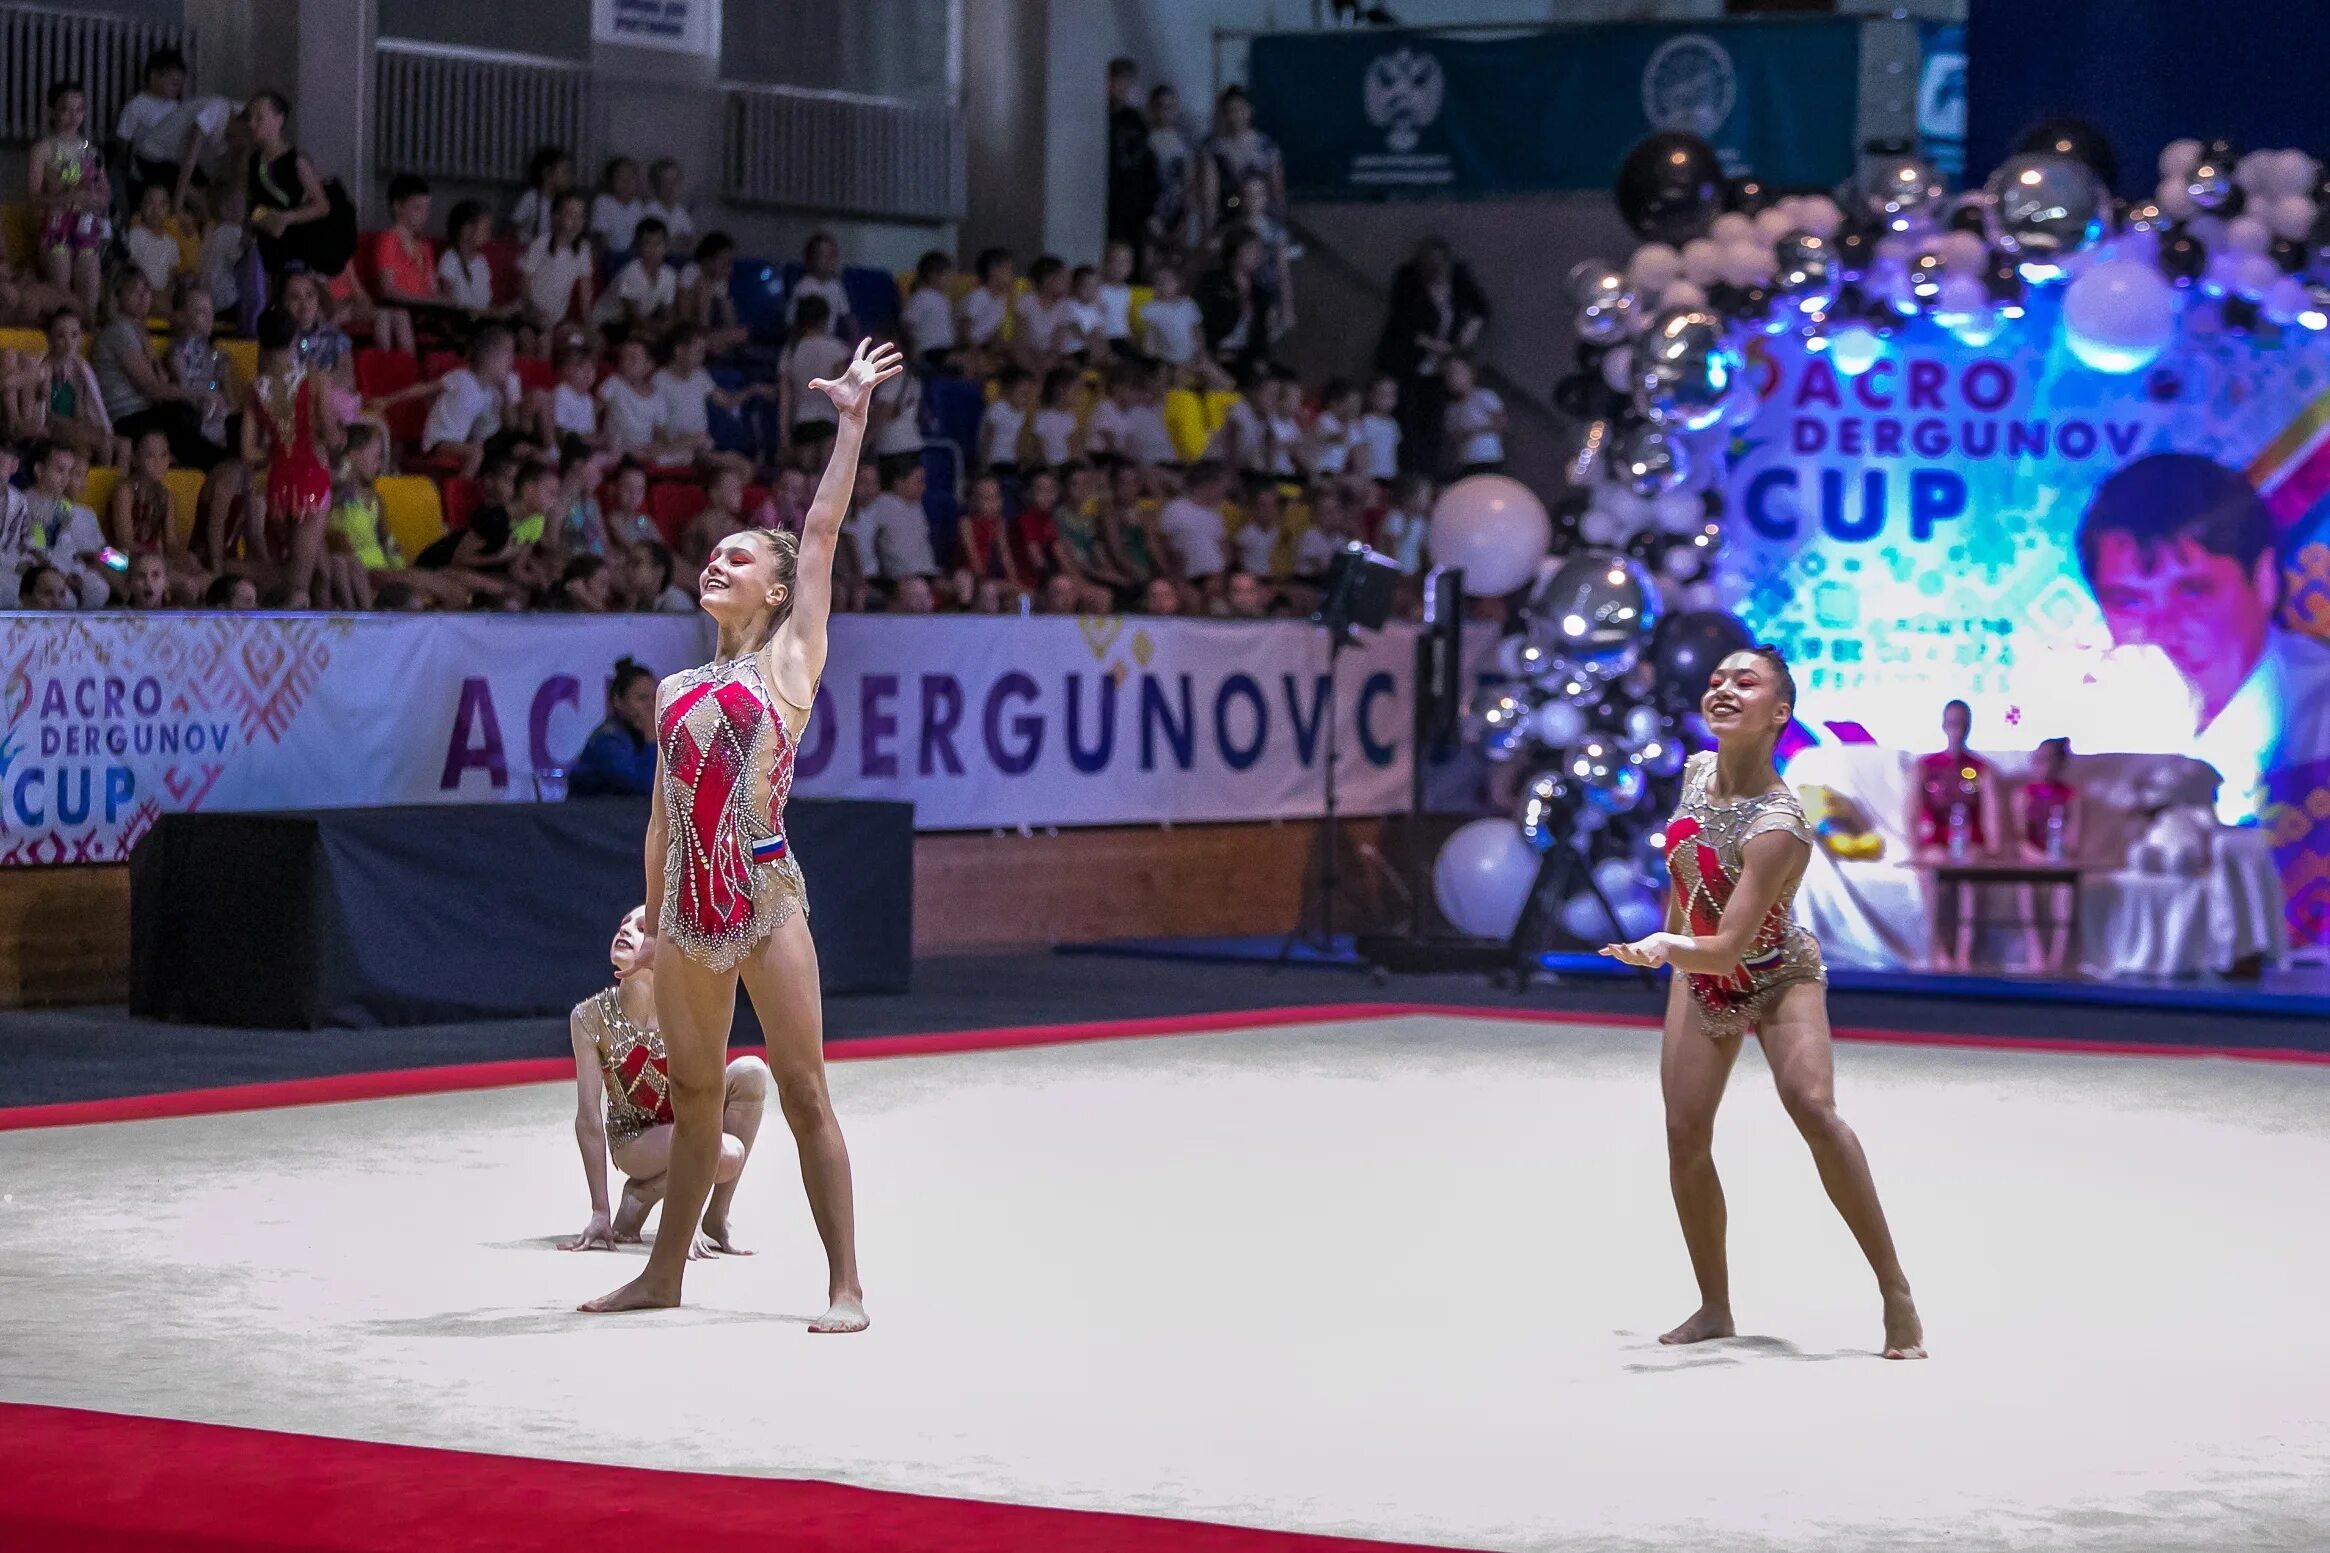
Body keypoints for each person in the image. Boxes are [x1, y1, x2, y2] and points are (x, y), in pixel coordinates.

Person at [578, 337, 903, 1326]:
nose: (717, 558)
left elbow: (819, 536)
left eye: (739, 557)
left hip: (764, 896)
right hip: (688, 909)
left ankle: (844, 1282)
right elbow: (659, 818)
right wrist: (656, 908)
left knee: (803, 1088)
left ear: (770, 591)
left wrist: (849, 421)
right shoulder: (674, 687)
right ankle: (663, 1273)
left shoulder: (789, 665)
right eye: (713, 552)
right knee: (691, 1093)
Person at [1601, 645, 1924, 1361]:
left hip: (1776, 972)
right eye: (1716, 678)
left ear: (1778, 713)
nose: (1722, 688)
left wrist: (1663, 946)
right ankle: (1715, 1306)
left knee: (1812, 1107)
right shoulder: (1692, 775)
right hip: (1698, 971)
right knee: (1684, 1135)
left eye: (1744, 682)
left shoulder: (1779, 822)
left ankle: (1894, 1288)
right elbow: (1687, 879)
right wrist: (1674, 936)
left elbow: (1728, 944)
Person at [2077, 452, 2330, 829]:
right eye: (2129, 602)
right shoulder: (2089, 722)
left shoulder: (2318, 717)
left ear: (2263, 580)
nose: (2160, 629)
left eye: (2191, 592)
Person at [562, 906, 771, 1257]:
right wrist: (600, 1210)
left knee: (751, 1071)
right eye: (623, 922)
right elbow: (588, 1119)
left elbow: (705, 1091)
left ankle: (714, 1215)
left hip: (685, 1121)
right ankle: (645, 1195)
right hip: (635, 1139)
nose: (626, 929)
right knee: (720, 1152)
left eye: (642, 927)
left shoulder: (690, 1007)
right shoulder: (589, 1017)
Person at [243, 305, 337, 608]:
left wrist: (275, 451)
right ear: (295, 338)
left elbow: (247, 452)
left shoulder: (256, 389)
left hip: (279, 485)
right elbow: (331, 436)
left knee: (318, 570)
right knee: (298, 585)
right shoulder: (315, 380)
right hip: (312, 480)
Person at [1375, 238, 1487, 480]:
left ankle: (1428, 476)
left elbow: (1481, 309)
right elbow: (1402, 322)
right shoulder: (1407, 281)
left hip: (1440, 368)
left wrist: (1466, 336)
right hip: (1408, 361)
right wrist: (1433, 345)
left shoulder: (1459, 279)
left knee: (1433, 422)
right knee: (1406, 421)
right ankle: (1408, 476)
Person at [1908, 698, 2000, 972]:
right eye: (1952, 724)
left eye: (1962, 724)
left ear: (1969, 727)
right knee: (1932, 865)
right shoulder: (1925, 766)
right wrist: (1916, 848)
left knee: (1970, 867)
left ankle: (1964, 952)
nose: (1957, 730)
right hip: (1936, 842)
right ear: (1944, 726)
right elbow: (1912, 814)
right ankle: (1939, 949)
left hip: (1970, 842)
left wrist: (1994, 849)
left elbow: (1991, 814)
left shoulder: (1981, 769)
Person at [244, 90, 358, 291]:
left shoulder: (297, 161)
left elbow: (322, 206)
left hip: (298, 244)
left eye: (259, 118)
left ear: (278, 120)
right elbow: (253, 204)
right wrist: (265, 217)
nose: (252, 123)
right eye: (250, 117)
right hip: (269, 241)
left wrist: (286, 218)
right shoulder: (253, 162)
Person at [28, 80, 110, 314]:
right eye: (65, 108)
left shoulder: (91, 150)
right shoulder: (43, 149)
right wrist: (67, 197)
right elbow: (33, 196)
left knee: (90, 295)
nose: (73, 116)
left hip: (85, 226)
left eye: (79, 109)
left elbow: (106, 195)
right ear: (53, 111)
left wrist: (95, 198)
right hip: (55, 227)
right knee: (61, 294)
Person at [2015, 736, 2083, 974]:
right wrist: (2040, 858)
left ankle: (2058, 956)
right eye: (2037, 760)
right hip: (2032, 858)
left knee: (2065, 888)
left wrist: (2059, 854)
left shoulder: (2071, 796)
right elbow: (2020, 839)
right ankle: (2035, 950)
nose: (2041, 766)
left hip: (2060, 859)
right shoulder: (2024, 794)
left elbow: (2074, 838)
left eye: (2047, 761)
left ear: (2060, 764)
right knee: (2026, 882)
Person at [572, 658, 660, 797]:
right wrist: (651, 739)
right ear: (618, 700)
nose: (651, 706)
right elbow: (646, 788)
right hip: (593, 817)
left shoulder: (642, 735)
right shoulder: (608, 741)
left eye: (655, 698)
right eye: (642, 698)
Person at [1105, 57, 1157, 275]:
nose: (1122, 87)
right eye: (1118, 80)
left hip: (1132, 205)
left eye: (1128, 81)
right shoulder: (1097, 117)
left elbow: (1144, 165)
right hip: (1105, 201)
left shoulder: (1135, 121)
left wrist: (1147, 207)